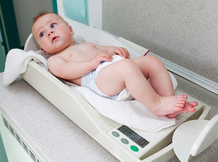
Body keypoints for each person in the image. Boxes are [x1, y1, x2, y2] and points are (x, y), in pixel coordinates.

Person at [32, 12, 198, 118]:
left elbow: (107, 49)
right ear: (43, 50)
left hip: (116, 69)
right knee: (126, 68)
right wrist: (91, 63)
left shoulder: (87, 44)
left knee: (152, 62)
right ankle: (157, 105)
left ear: (70, 30)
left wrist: (116, 50)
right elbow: (65, 71)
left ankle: (169, 102)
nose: (49, 32)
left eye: (53, 25)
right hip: (97, 79)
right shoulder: (55, 59)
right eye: (42, 34)